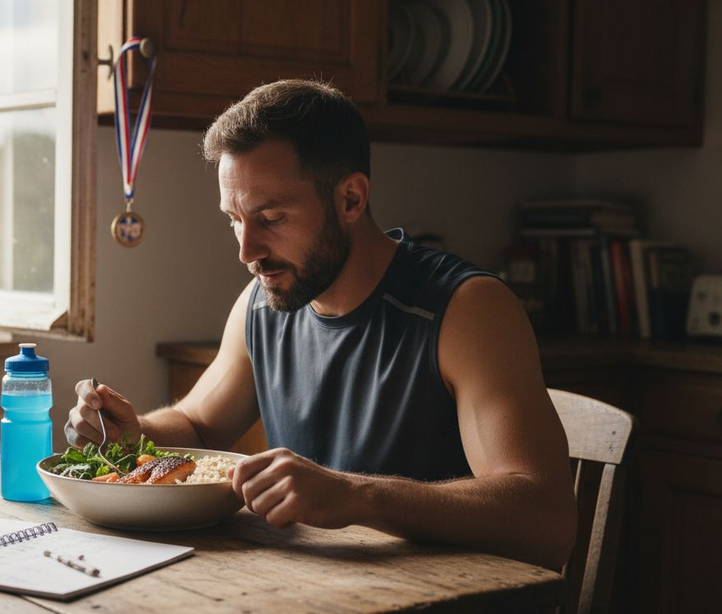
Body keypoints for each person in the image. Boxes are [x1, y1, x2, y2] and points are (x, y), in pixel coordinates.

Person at [66, 79, 577, 569]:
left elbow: (547, 520)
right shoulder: (260, 306)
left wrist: (358, 495)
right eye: (234, 220)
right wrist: (135, 433)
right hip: (312, 593)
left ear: (351, 199)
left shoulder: (468, 310)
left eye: (271, 218)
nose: (247, 251)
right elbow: (199, 424)